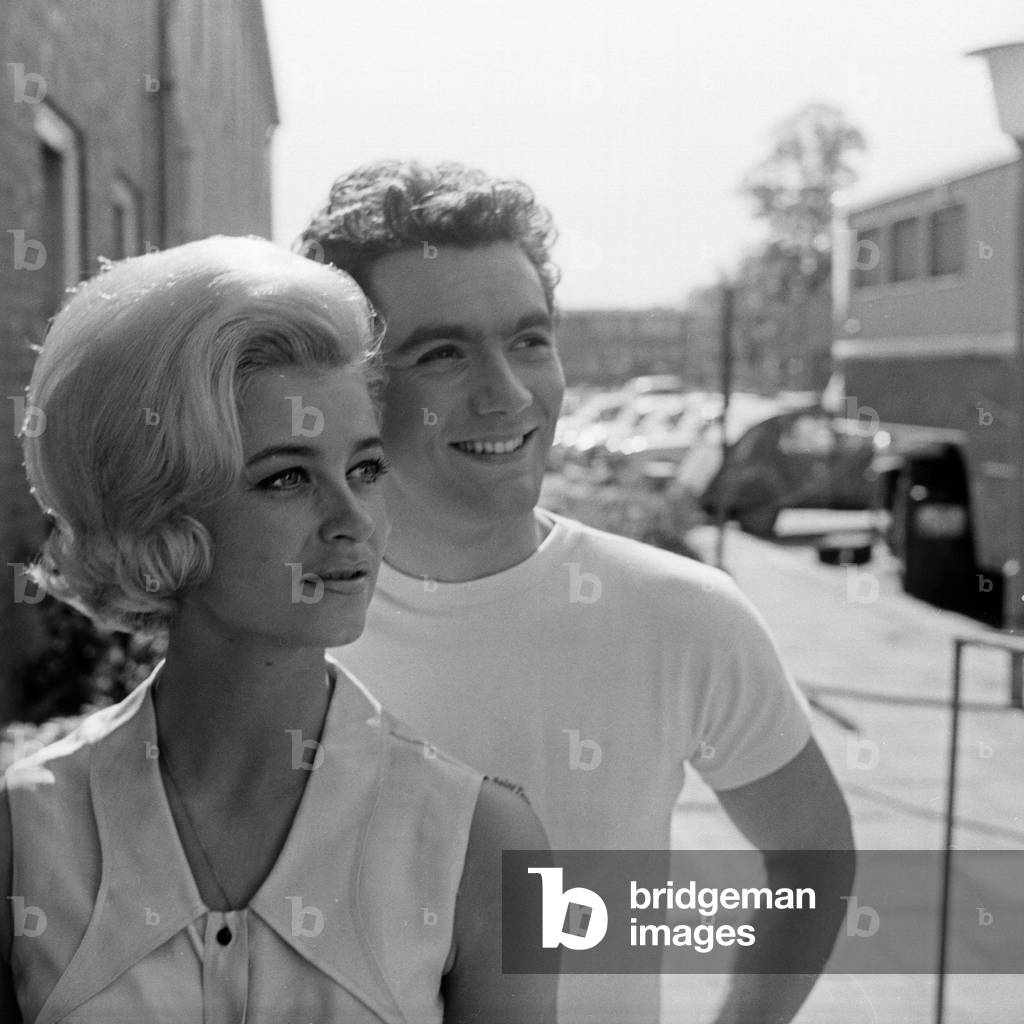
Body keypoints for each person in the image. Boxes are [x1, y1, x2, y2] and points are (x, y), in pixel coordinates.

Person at [298, 161, 856, 1024]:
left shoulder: (680, 616)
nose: (509, 392)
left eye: (529, 339)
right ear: (354, 383)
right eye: (443, 352)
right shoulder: (281, 624)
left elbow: (813, 855)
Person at [0, 236, 554, 1024]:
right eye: (287, 477)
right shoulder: (23, 835)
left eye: (364, 469)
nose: (352, 520)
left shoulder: (485, 845)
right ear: (162, 512)